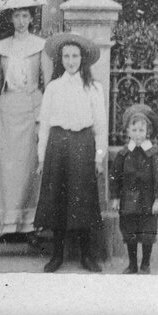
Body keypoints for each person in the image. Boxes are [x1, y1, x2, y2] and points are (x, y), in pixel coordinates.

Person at [34, 32, 108, 273]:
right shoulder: (54, 88)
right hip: (57, 145)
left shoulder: (94, 88)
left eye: (75, 56)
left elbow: (100, 126)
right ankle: (57, 255)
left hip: (83, 145)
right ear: (60, 59)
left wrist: (98, 157)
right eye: (66, 56)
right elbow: (44, 124)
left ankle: (87, 255)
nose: (71, 60)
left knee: (83, 199)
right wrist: (42, 157)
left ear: (82, 59)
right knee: (57, 199)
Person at [0, 0, 48, 242]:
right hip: (7, 110)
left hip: (31, 109)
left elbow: (48, 82)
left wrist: (43, 115)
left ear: (31, 18)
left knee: (28, 167)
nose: (21, 21)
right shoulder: (2, 47)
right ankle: (5, 223)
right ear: (11, 19)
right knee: (6, 169)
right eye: (17, 16)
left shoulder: (40, 46)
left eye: (25, 16)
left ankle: (28, 224)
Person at [108, 103, 158, 275]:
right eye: (134, 130)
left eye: (141, 130)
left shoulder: (154, 154)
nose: (138, 134)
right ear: (128, 132)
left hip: (148, 201)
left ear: (147, 132)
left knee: (147, 232)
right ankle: (132, 264)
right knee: (130, 232)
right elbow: (115, 177)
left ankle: (145, 263)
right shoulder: (123, 154)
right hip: (128, 200)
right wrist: (115, 197)